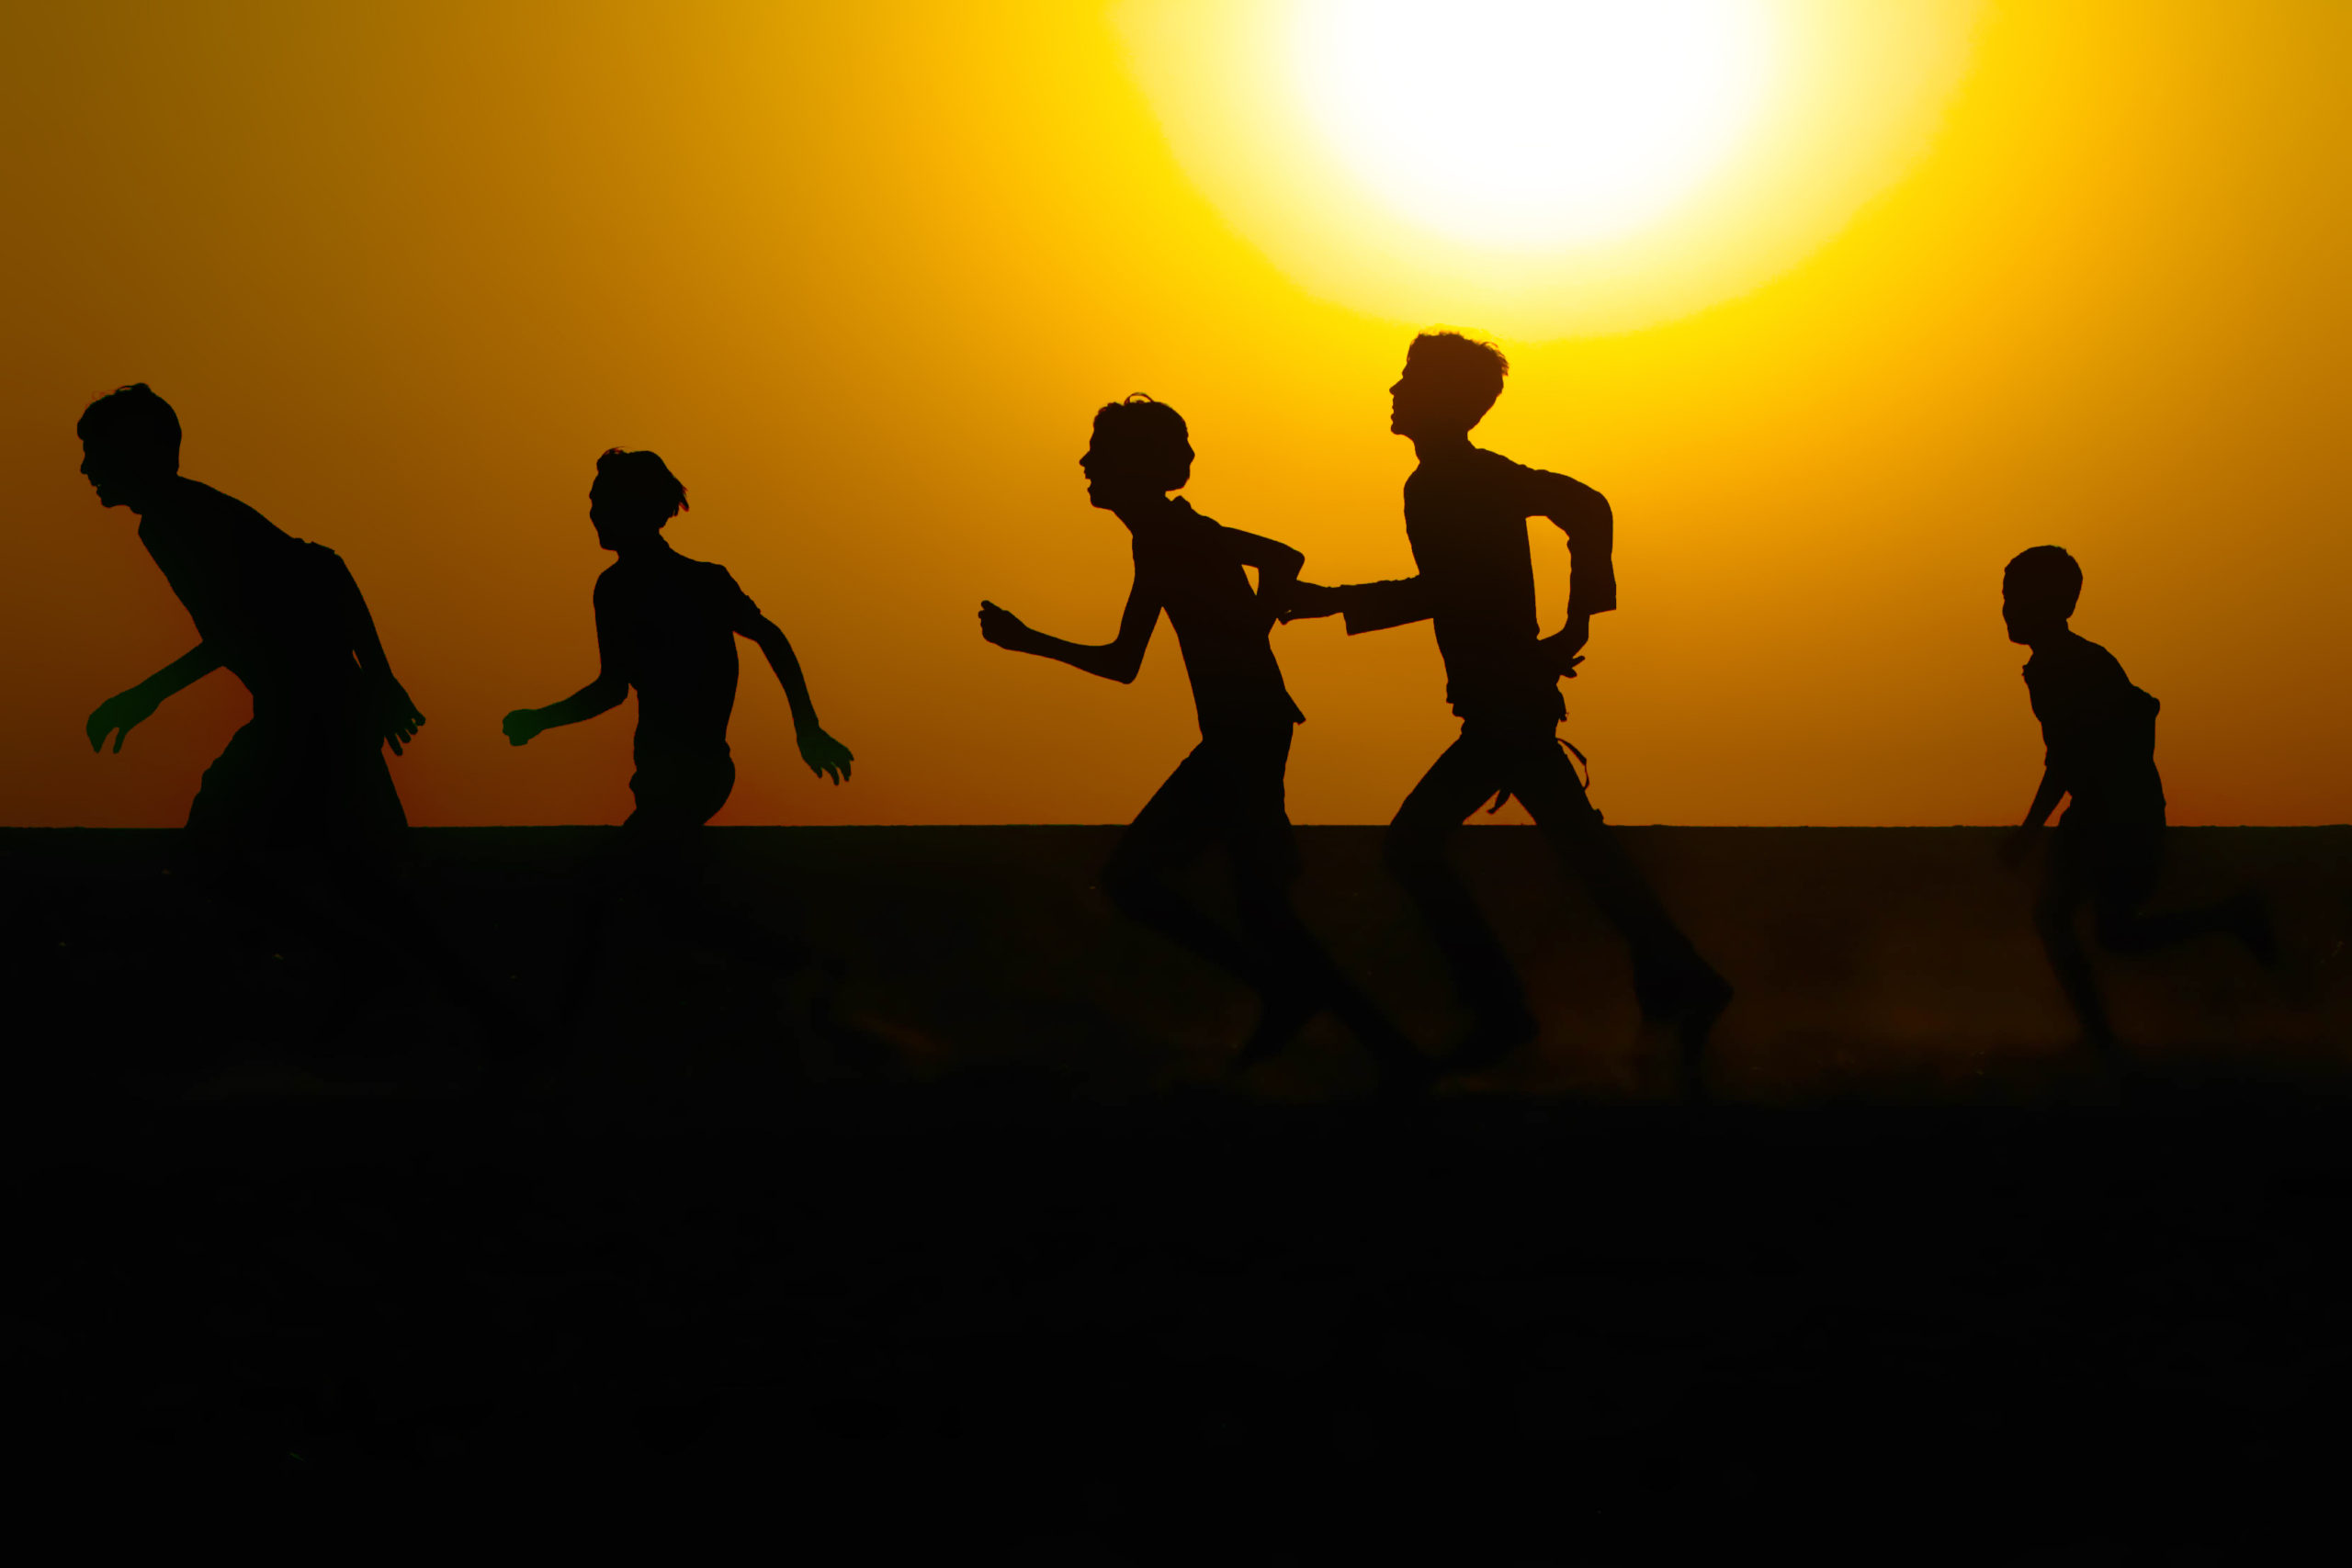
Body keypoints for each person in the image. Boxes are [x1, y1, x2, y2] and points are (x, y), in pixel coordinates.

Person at [1285, 333, 1731, 1088]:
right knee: (1579, 849)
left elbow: (1457, 584)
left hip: (1504, 701)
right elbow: (1579, 510)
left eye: (1408, 381)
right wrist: (1577, 618)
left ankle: (1508, 1010)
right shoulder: (1458, 480)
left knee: (1413, 848)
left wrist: (1333, 603)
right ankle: (1676, 975)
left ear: (1447, 401)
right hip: (1504, 698)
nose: (1392, 392)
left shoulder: (1455, 482)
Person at [978, 396, 1424, 1085]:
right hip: (1247, 728)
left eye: (1099, 454)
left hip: (1245, 734)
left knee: (1135, 879)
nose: (1085, 464)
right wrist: (1253, 620)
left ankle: (1307, 1007)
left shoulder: (1167, 533)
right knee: (1264, 905)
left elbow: (1277, 560)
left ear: (1133, 466)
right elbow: (1135, 654)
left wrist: (1252, 623)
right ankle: (1390, 1054)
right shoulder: (1162, 533)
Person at [78, 382, 526, 1055]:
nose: (86, 469)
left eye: (96, 453)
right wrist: (375, 677)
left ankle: (397, 983)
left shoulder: (179, 519)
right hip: (311, 711)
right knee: (352, 880)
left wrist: (146, 696)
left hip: (308, 716)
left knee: (222, 856)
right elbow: (316, 571)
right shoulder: (177, 516)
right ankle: (467, 1009)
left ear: (140, 452)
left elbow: (288, 590)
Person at [502, 448, 853, 1027]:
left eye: (602, 503)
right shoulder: (612, 589)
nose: (592, 514)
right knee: (668, 901)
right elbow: (612, 687)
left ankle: (787, 972)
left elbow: (771, 639)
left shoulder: (702, 582)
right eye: (592, 503)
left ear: (640, 509)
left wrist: (808, 729)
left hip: (698, 772)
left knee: (620, 895)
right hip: (657, 774)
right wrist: (542, 719)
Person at [1999, 545, 2272, 1054]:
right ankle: (2228, 921)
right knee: (2091, 927)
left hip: (2120, 815)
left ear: (2054, 604)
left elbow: (2072, 754)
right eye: (2006, 597)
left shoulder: (2070, 666)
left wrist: (2029, 831)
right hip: (2103, 812)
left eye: (2015, 598)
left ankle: (2104, 1035)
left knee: (2092, 928)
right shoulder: (2053, 666)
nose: (2006, 610)